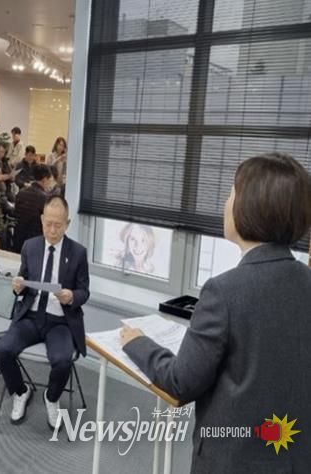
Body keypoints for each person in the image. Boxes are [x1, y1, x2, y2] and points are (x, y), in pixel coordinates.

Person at [120, 152, 311, 473]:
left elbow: (181, 381)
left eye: (231, 194)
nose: (225, 204)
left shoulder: (224, 290)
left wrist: (137, 342)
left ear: (251, 207)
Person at [0, 196, 90, 428]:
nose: (52, 230)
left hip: (60, 321)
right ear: (41, 220)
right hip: (30, 316)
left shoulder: (78, 252)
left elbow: (84, 292)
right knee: (3, 350)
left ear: (67, 224)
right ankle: (21, 391)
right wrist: (17, 287)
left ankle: (52, 397)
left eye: (58, 225)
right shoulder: (30, 246)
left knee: (62, 361)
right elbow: (23, 279)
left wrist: (72, 296)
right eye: (48, 224)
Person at [13, 164, 53, 253]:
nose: (50, 183)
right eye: (49, 180)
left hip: (18, 238)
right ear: (44, 179)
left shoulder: (21, 193)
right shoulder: (44, 198)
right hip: (35, 242)